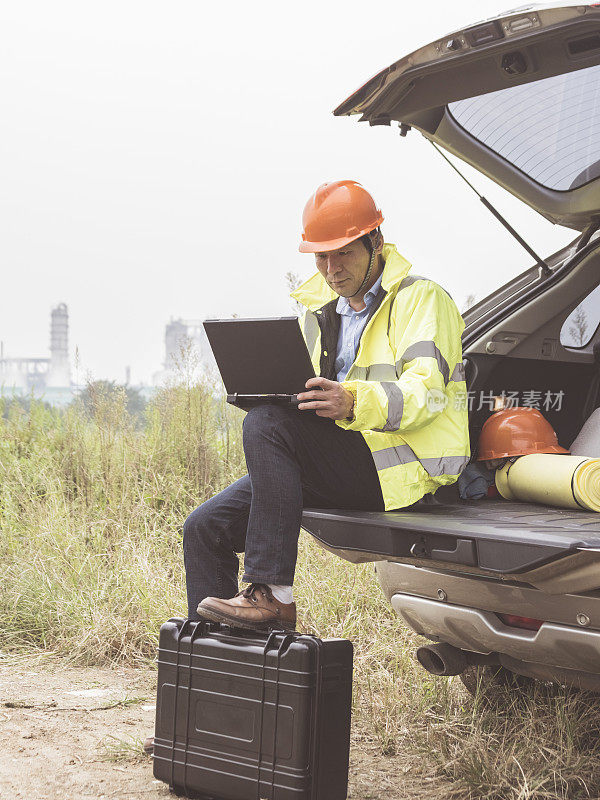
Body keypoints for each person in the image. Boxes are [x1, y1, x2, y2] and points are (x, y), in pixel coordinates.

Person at [187, 180, 470, 632]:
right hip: (340, 456)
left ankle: (271, 594)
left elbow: (427, 393)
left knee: (268, 425)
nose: (332, 269)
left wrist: (352, 400)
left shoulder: (421, 299)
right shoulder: (319, 312)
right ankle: (213, 665)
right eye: (321, 257)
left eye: (344, 253)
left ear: (375, 241)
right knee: (204, 528)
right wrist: (268, 394)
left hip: (403, 470)